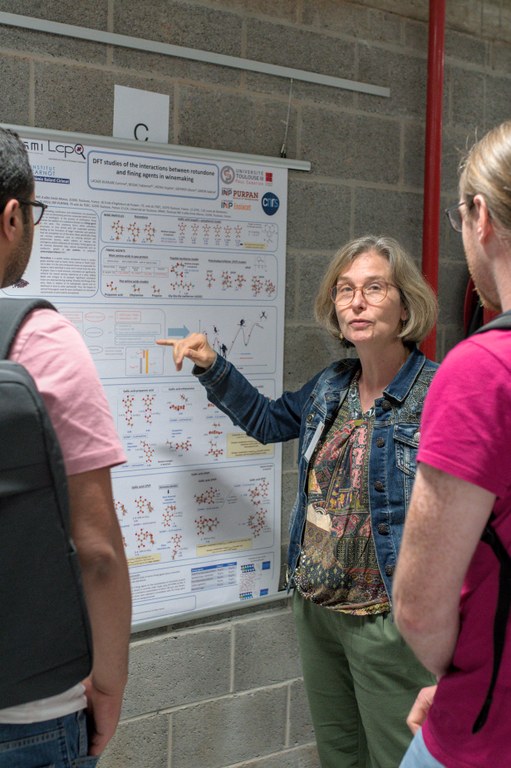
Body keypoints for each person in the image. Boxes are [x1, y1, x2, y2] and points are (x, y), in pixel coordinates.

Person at [157, 234, 438, 768]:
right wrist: (211, 365)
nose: (356, 302)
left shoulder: (435, 393)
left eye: (374, 288)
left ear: (405, 305)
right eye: (345, 290)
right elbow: (268, 421)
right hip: (317, 611)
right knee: (339, 756)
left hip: (386, 621)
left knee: (399, 758)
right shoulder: (332, 385)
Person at [0, 127, 131, 766]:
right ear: (12, 217)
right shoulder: (39, 340)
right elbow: (97, 551)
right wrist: (108, 683)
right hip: (26, 714)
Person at [393, 119, 511, 768]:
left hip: (488, 731)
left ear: (480, 216)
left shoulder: (481, 372)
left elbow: (417, 609)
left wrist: (459, 673)